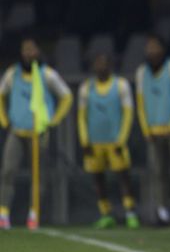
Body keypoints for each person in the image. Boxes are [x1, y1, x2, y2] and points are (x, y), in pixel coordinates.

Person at [0, 37, 73, 230]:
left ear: (38, 51)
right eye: (26, 49)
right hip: (17, 131)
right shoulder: (12, 74)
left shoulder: (47, 75)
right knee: (8, 171)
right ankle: (3, 213)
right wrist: (4, 120)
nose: (29, 53)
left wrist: (53, 120)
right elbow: (1, 96)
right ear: (21, 52)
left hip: (38, 133)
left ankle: (34, 213)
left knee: (38, 175)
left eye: (32, 49)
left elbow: (66, 97)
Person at [78, 52, 139, 230]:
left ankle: (130, 212)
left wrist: (121, 139)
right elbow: (81, 117)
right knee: (98, 179)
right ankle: (106, 213)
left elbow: (128, 113)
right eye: (97, 63)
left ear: (110, 66)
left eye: (104, 63)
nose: (101, 67)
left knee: (123, 177)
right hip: (94, 141)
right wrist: (84, 140)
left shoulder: (121, 85)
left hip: (115, 141)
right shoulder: (86, 88)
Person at [135, 34, 170, 226]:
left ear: (163, 49)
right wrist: (145, 128)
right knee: (158, 173)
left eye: (155, 47)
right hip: (154, 130)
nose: (151, 51)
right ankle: (162, 211)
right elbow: (140, 103)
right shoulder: (142, 72)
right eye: (148, 47)